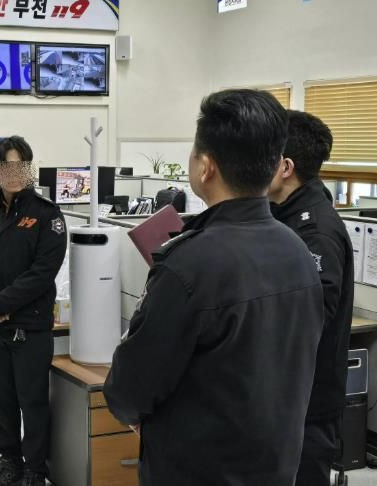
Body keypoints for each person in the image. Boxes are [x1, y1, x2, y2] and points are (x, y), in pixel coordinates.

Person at [103, 89, 325, 486]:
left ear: (206, 167)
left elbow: (130, 388)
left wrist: (137, 415)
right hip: (276, 468)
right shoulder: (298, 250)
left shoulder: (188, 265)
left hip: (197, 471)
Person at [0, 136, 67, 486]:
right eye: (7, 166)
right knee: (1, 401)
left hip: (29, 324)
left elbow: (42, 272)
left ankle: (35, 469)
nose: (15, 173)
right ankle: (10, 463)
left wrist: (1, 305)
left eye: (21, 166)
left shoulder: (47, 214)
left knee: (32, 401)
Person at [269, 110, 354, 485]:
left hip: (306, 406)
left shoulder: (315, 231)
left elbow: (309, 319)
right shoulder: (284, 216)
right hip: (284, 400)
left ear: (285, 167)